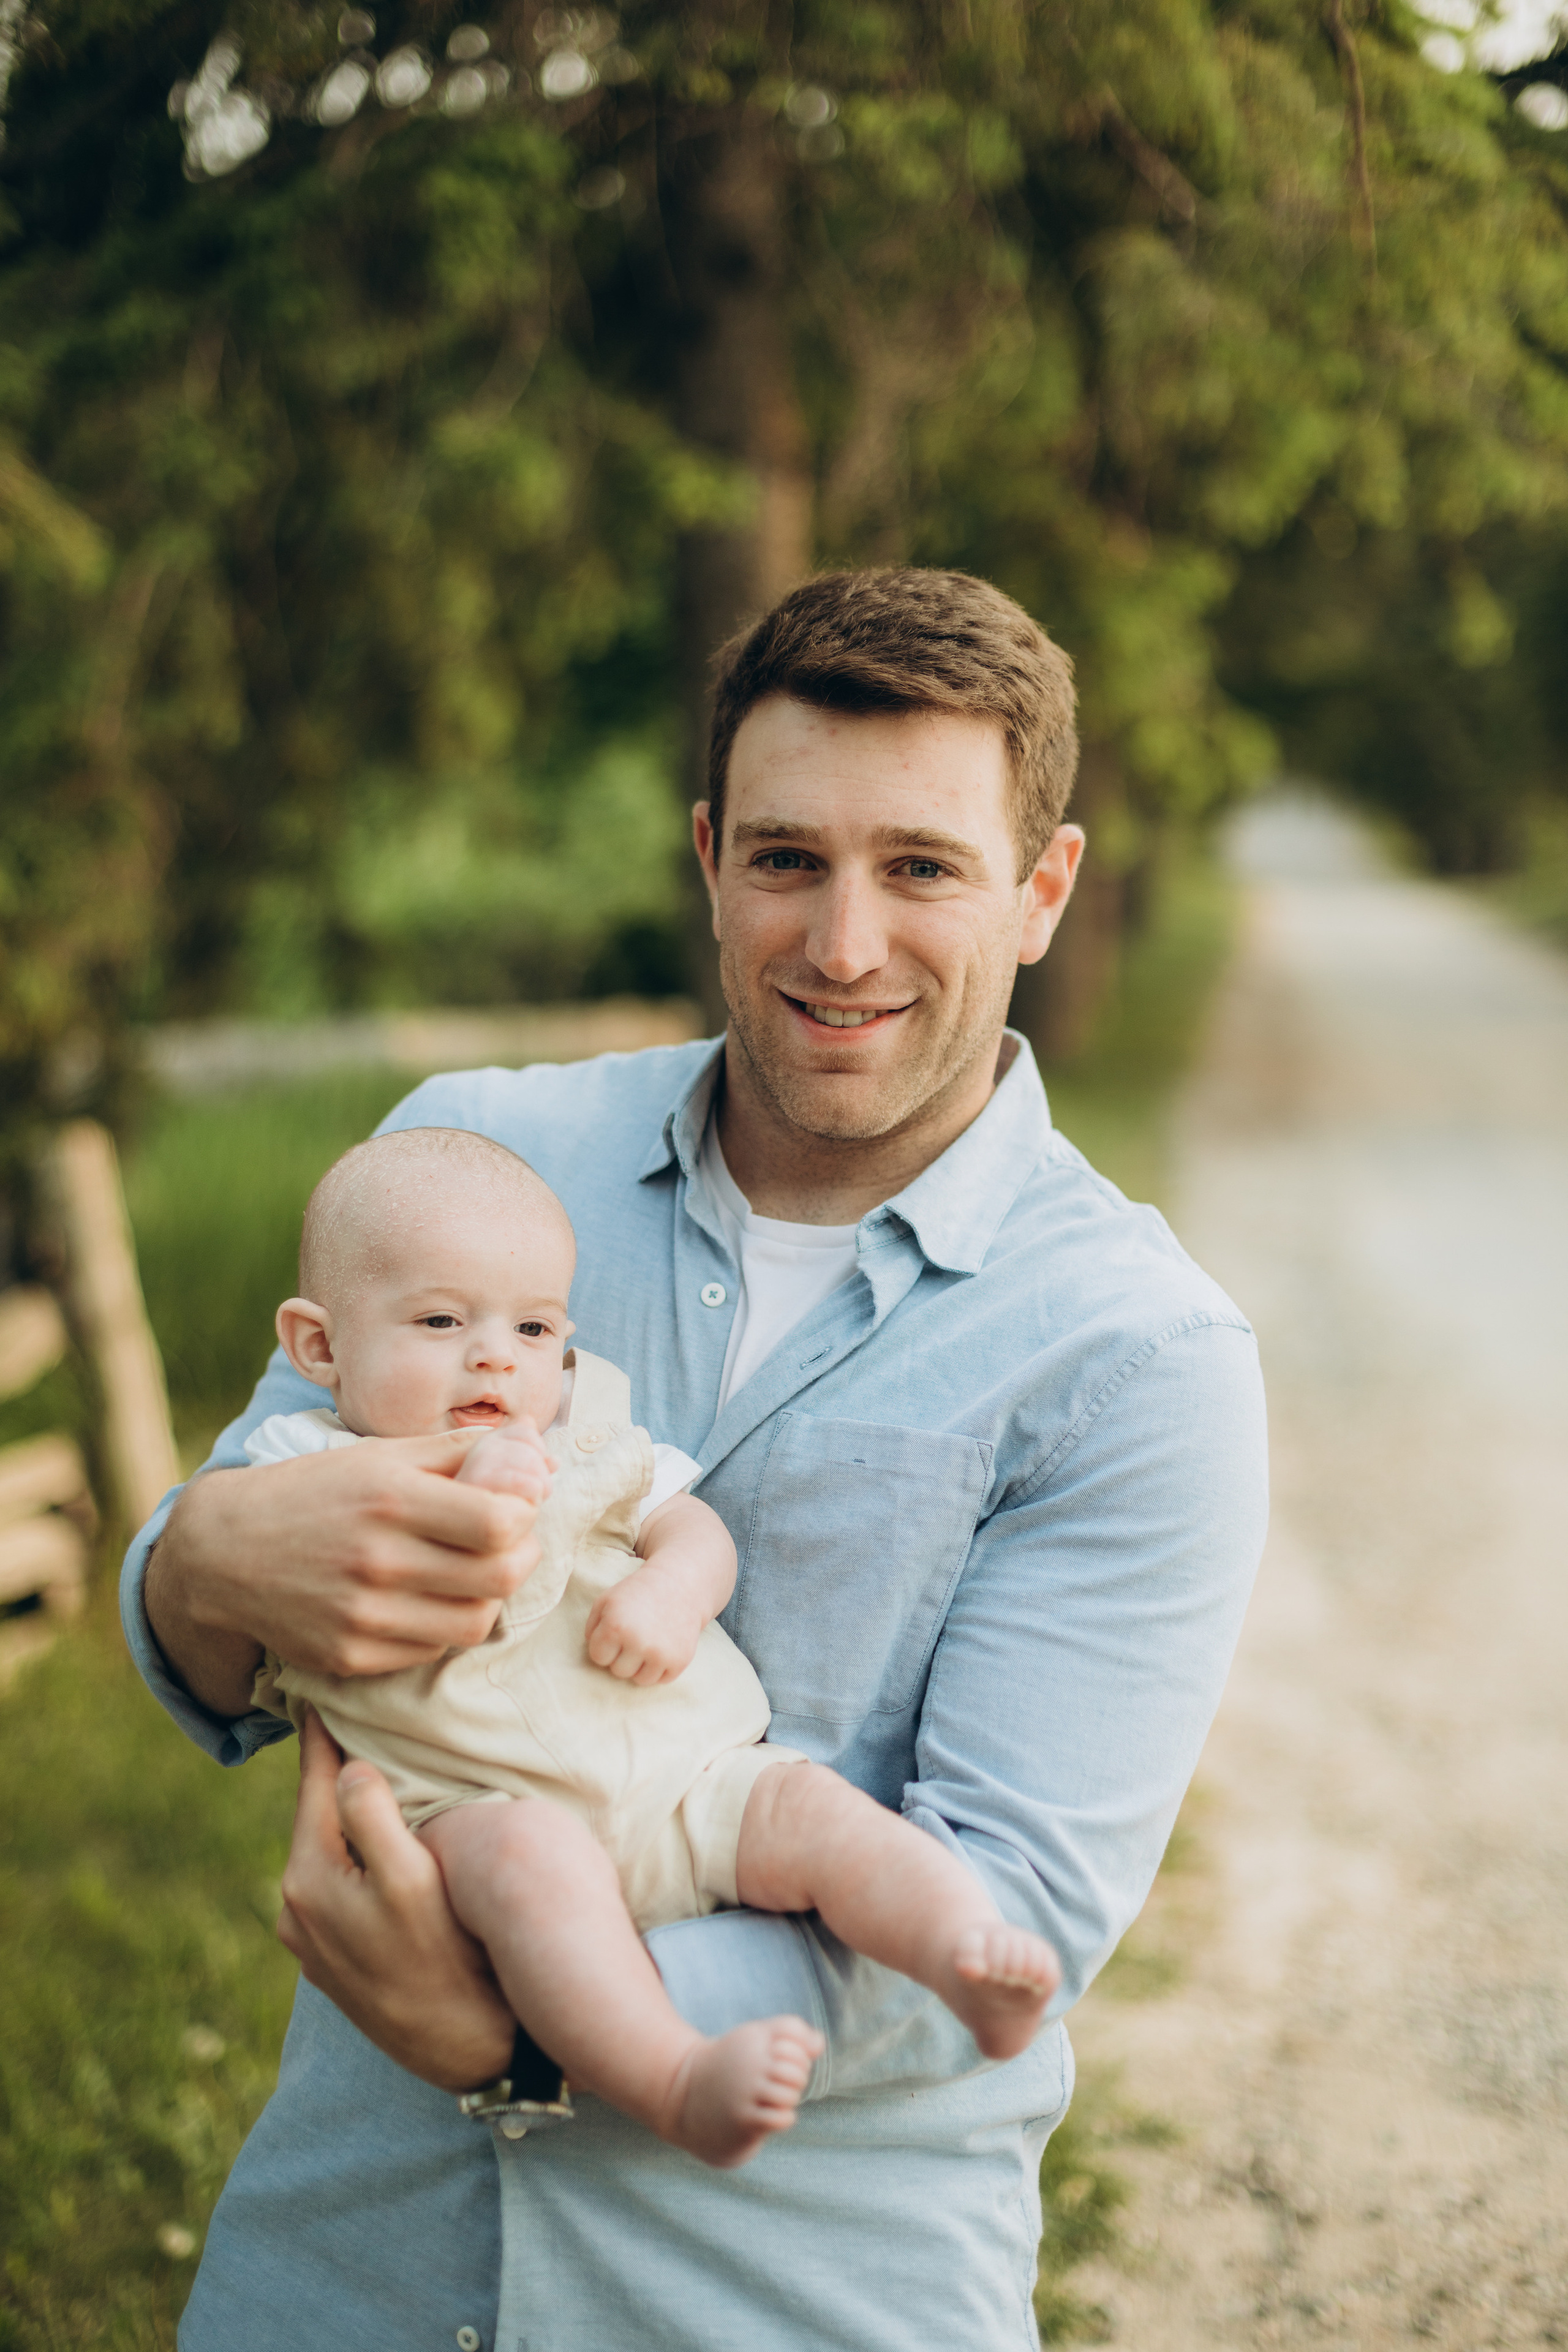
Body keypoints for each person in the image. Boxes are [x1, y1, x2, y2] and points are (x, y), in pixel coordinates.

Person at [124, 568, 1268, 2352]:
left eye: (924, 868)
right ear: (710, 853)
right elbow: (230, 1597)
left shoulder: (1139, 1361)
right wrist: (195, 1562)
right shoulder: (471, 1155)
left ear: (1044, 889)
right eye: (789, 858)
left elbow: (1015, 1915)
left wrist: (515, 2019)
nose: (842, 945)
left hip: (783, 2294)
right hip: (346, 2272)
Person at [244, 1124, 1060, 2167]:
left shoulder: (590, 1433)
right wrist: (466, 1500)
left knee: (810, 1810)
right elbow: (277, 1590)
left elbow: (692, 1527)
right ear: (320, 1348)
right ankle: (678, 2080)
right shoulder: (300, 1464)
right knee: (539, 1876)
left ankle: (960, 1953)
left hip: (691, 1783)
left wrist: (676, 1593)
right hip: (475, 1812)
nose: (497, 1355)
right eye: (442, 1319)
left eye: (535, 1330)